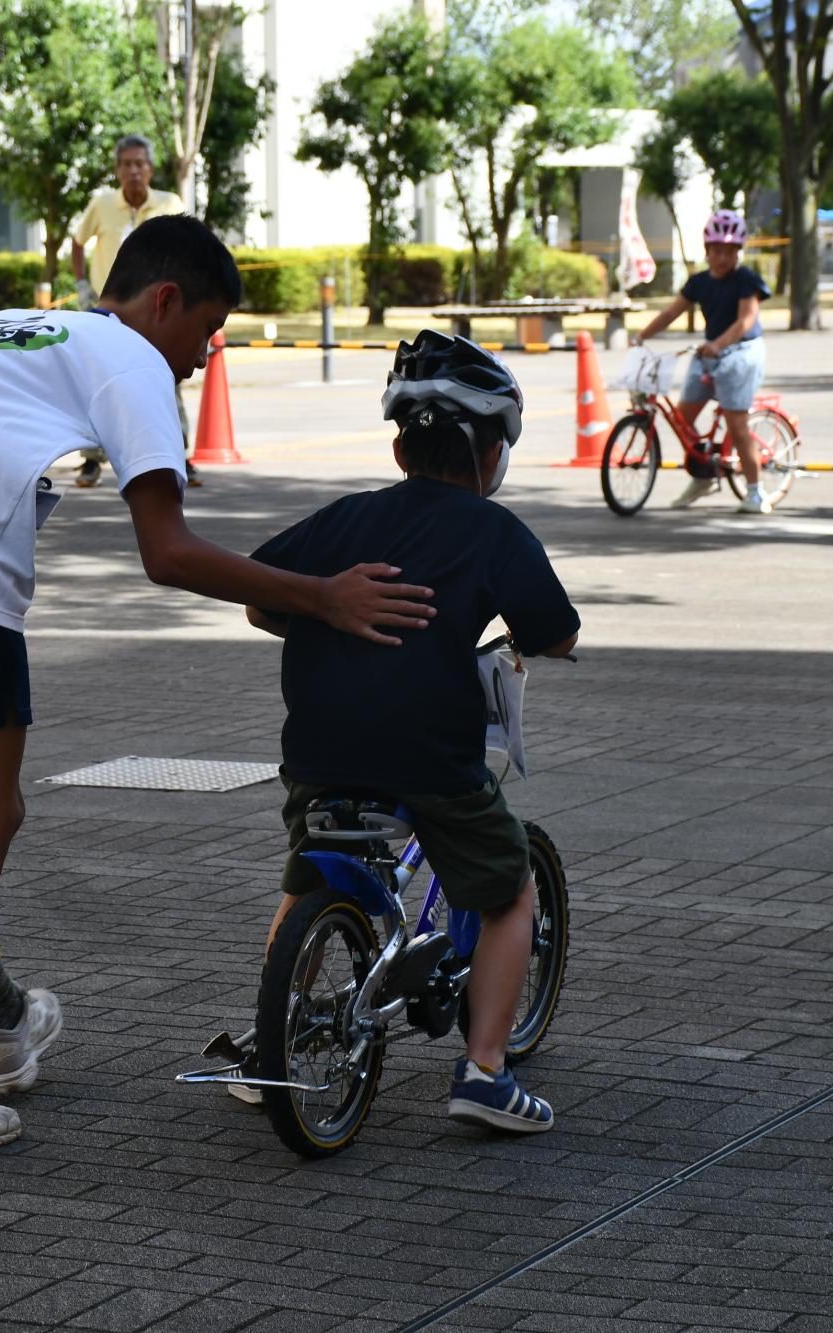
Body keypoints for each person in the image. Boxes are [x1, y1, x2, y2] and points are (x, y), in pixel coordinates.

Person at [0, 215, 439, 1154]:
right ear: (164, 300)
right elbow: (168, 552)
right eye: (205, 334)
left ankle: (1, 1021)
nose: (199, 360)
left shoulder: (0, 326)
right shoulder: (130, 355)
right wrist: (323, 597)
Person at [237, 331, 580, 1133]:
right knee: (506, 888)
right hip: (429, 753)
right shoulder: (494, 533)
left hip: (318, 750)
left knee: (306, 882)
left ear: (398, 446)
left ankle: (270, 1041)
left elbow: (260, 596)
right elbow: (556, 631)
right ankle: (486, 1071)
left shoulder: (345, 518)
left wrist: (323, 612)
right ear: (492, 450)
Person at [68, 135, 192, 489]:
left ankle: (179, 454)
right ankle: (91, 460)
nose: (134, 171)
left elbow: (187, 249)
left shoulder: (169, 203)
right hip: (110, 308)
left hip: (157, 310)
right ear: (117, 170)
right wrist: (82, 286)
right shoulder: (102, 204)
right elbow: (78, 242)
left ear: (150, 169)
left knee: (165, 373)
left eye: (140, 164)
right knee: (97, 378)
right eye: (126, 164)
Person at [634, 210, 776, 514]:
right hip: (709, 353)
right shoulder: (699, 282)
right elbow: (671, 313)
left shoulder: (746, 281)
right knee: (683, 419)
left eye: (729, 252)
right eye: (716, 251)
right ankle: (705, 473)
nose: (722, 258)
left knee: (737, 426)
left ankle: (755, 491)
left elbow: (746, 320)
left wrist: (717, 344)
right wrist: (641, 336)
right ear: (706, 250)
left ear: (738, 252)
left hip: (741, 353)